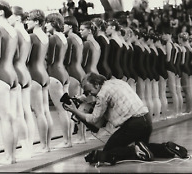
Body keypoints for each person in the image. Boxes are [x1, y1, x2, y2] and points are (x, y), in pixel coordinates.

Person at [63, 72, 188, 165]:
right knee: (145, 147)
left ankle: (135, 151)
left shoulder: (102, 94)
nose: (90, 95)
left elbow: (94, 119)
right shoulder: (116, 81)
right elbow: (109, 99)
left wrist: (74, 110)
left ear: (96, 84)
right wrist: (84, 99)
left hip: (134, 124)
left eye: (89, 91)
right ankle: (167, 148)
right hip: (146, 120)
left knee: (109, 151)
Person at [0, 0, 19, 164]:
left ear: (1, 11)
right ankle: (13, 156)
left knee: (4, 119)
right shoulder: (13, 30)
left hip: (0, 74)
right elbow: (18, 55)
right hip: (13, 74)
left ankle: (8, 156)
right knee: (12, 118)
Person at [8, 6, 35, 158]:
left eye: (10, 16)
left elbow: (14, 55)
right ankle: (28, 148)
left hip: (17, 72)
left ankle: (24, 149)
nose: (8, 18)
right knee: (27, 113)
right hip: (25, 71)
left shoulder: (16, 32)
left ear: (17, 17)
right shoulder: (26, 33)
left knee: (19, 114)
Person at [27, 9, 53, 152]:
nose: (27, 22)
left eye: (29, 19)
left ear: (36, 21)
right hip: (44, 74)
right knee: (46, 111)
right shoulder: (46, 36)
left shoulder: (32, 36)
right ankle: (47, 144)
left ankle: (43, 145)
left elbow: (27, 58)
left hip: (34, 74)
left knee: (39, 112)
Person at [45, 13, 72, 148]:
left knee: (61, 110)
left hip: (55, 73)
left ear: (53, 23)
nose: (45, 25)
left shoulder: (53, 38)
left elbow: (50, 59)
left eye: (47, 23)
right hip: (64, 73)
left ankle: (66, 140)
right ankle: (69, 139)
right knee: (66, 109)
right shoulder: (65, 38)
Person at [63, 15, 86, 143]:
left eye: (64, 25)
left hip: (72, 72)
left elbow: (67, 59)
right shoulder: (79, 38)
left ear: (70, 26)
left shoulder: (70, 39)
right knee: (80, 106)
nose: (62, 27)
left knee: (73, 106)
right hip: (80, 71)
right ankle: (82, 136)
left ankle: (76, 137)